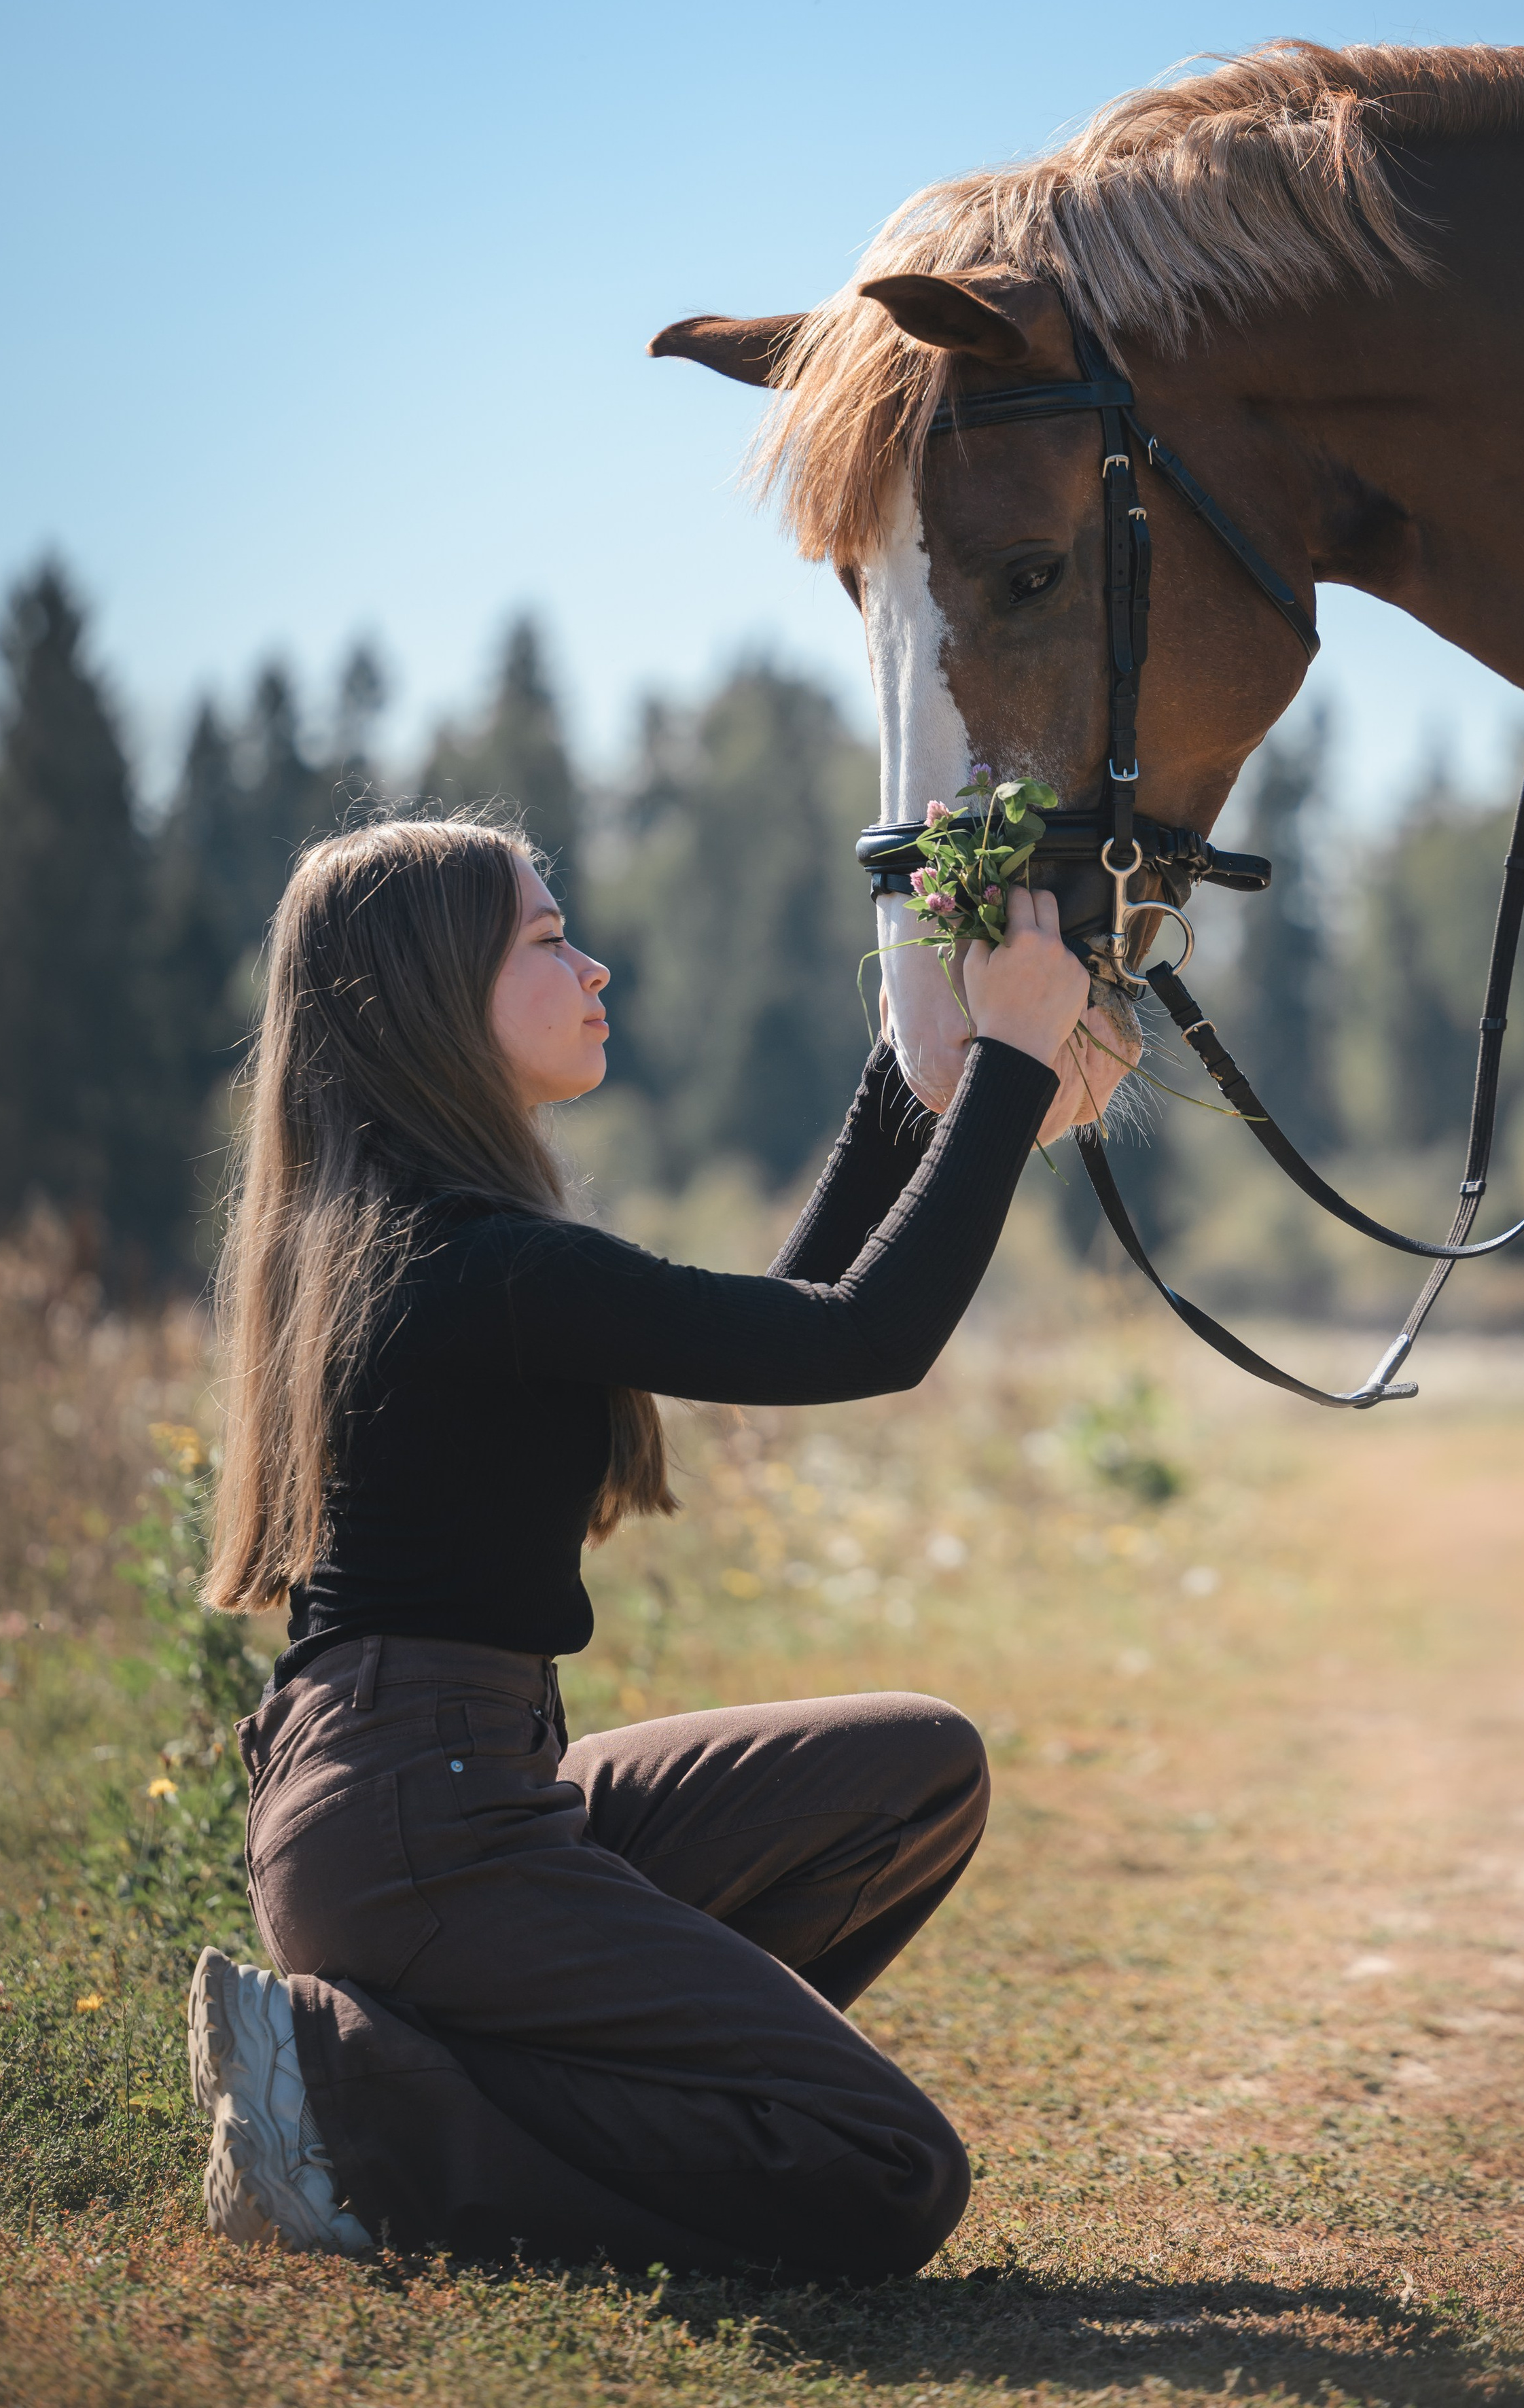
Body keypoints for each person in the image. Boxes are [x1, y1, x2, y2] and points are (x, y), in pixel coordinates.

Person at [188, 815, 1114, 2280]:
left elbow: (792, 1314)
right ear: (434, 996)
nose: (595, 967)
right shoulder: (472, 1262)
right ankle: (358, 2104)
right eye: (548, 942)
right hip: (418, 1825)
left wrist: (916, 1067)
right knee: (889, 2171)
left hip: (442, 1800)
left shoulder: (440, 1240)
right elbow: (866, 1338)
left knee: (914, 1772)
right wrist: (1003, 1067)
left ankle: (415, 2068)